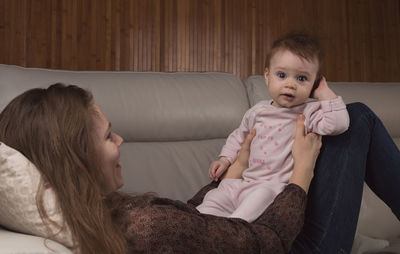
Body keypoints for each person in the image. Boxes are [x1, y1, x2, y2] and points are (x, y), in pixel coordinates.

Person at [0, 83, 399, 254]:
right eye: (108, 137)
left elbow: (193, 223)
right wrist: (302, 174)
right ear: (74, 161)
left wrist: (235, 170)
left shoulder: (98, 217)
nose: (120, 142)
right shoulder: (144, 227)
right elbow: (264, 242)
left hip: (264, 227)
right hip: (289, 246)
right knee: (358, 117)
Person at [197, 32, 349, 222]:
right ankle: (200, 227)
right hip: (244, 182)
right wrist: (225, 159)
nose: (290, 84)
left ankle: (234, 231)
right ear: (267, 76)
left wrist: (324, 92)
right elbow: (238, 136)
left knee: (259, 199)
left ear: (314, 83)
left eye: (302, 79)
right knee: (213, 197)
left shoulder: (309, 113)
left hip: (273, 188)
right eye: (282, 75)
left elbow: (339, 124)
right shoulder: (257, 111)